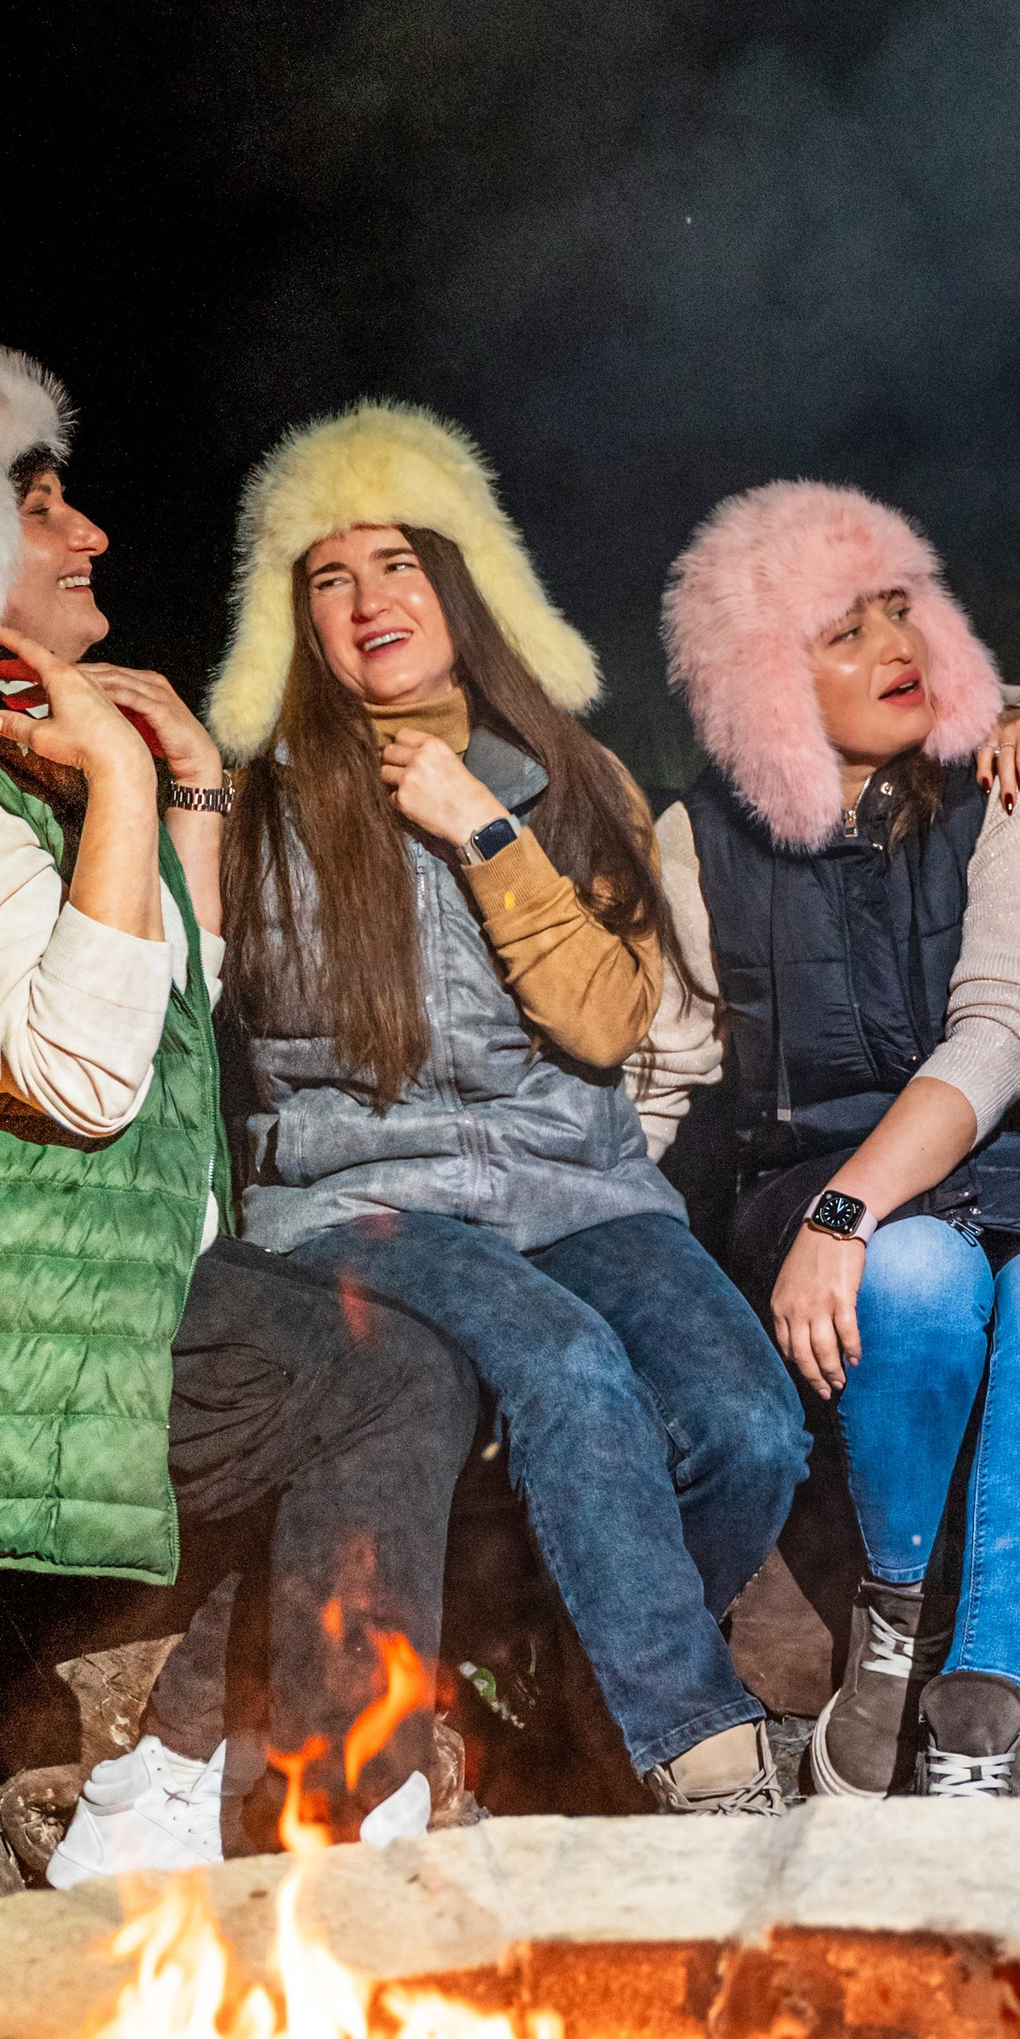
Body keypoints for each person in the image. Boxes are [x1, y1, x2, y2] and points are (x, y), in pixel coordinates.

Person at [0, 330, 481, 1880]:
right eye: (45, 506)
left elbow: (161, 1017)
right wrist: (119, 793)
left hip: (13, 1281)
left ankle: (174, 1792)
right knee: (387, 1384)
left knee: (381, 1354)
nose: (91, 534)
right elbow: (81, 1079)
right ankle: (332, 1831)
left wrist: (178, 786)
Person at [208, 402, 806, 1817]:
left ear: (460, 582)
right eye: (329, 578)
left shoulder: (571, 778)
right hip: (367, 1196)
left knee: (747, 1424)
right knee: (570, 1368)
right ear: (293, 618)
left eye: (398, 564)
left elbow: (607, 1018)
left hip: (575, 1184)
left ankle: (579, 1668)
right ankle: (708, 1761)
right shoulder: (265, 802)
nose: (369, 604)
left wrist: (483, 828)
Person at [643, 480, 1020, 1799]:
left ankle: (991, 1703)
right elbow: (666, 1067)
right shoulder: (697, 839)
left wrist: (845, 1214)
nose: (895, 649)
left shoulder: (1009, 779)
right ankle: (895, 1622)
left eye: (901, 609)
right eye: (842, 633)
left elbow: (1006, 1033)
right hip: (806, 1167)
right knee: (918, 1273)